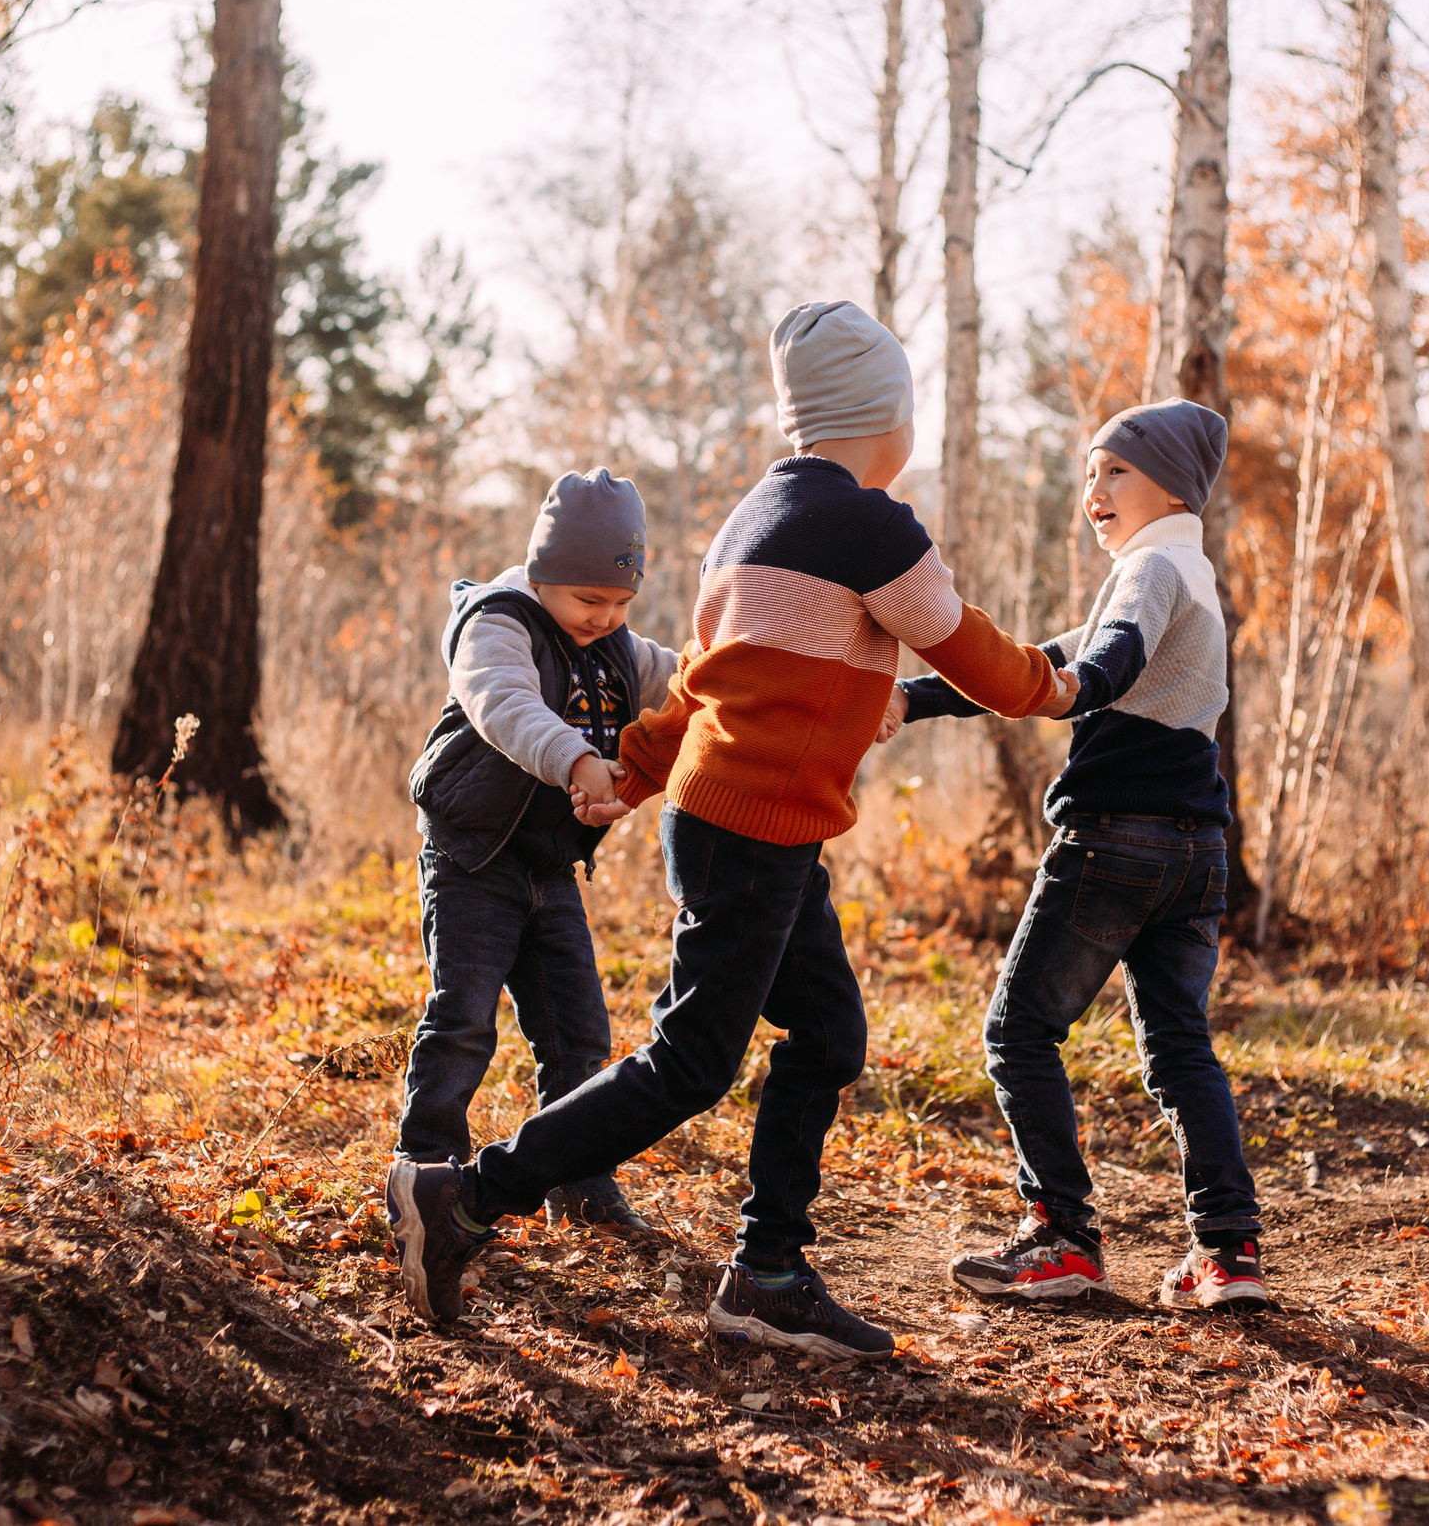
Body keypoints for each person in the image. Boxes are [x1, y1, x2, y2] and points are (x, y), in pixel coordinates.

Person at [387, 301, 1078, 1357]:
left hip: (741, 820)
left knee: (828, 1035)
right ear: (883, 417)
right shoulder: (872, 526)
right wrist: (1054, 686)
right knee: (692, 1061)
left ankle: (767, 1272)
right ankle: (468, 1197)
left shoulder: (753, 517)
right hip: (754, 829)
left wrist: (636, 771)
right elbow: (966, 647)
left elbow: (708, 681)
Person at [880, 400, 1268, 1310]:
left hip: (1113, 843)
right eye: (1090, 472)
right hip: (1196, 853)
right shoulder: (1192, 575)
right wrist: (914, 697)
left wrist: (1082, 687)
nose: (1094, 489)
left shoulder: (1150, 570)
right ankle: (1229, 1251)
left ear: (1173, 486)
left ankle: (1062, 1237)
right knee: (1180, 1048)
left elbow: (1106, 655)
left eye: (1116, 470)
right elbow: (1031, 661)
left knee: (1018, 1031)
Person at [396, 467, 675, 1235]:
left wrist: (751, 685)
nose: (605, 617)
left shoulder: (616, 644)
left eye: (621, 602)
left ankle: (580, 1181)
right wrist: (578, 759)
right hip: (472, 858)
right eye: (589, 599)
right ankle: (426, 1174)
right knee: (463, 1018)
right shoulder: (496, 625)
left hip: (549, 869)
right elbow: (505, 704)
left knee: (578, 1033)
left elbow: (685, 684)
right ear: (545, 571)